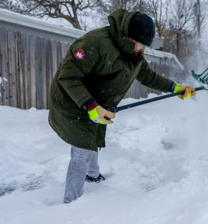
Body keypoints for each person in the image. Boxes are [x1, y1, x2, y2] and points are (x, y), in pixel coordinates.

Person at [48, 9, 195, 204]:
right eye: (140, 44)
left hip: (96, 102)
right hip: (73, 101)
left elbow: (147, 76)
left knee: (92, 136)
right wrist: (91, 106)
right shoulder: (94, 43)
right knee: (81, 148)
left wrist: (174, 87)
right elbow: (67, 76)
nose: (141, 49)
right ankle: (71, 203)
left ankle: (93, 175)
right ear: (128, 37)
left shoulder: (133, 54)